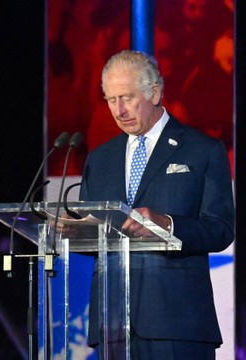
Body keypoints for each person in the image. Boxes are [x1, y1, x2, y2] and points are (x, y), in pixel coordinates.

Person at [79, 50, 234, 359]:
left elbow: (221, 229)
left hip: (178, 322)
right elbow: (91, 235)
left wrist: (168, 225)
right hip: (112, 325)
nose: (119, 110)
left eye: (126, 97)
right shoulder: (100, 158)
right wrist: (72, 229)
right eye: (111, 100)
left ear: (155, 92)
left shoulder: (202, 150)